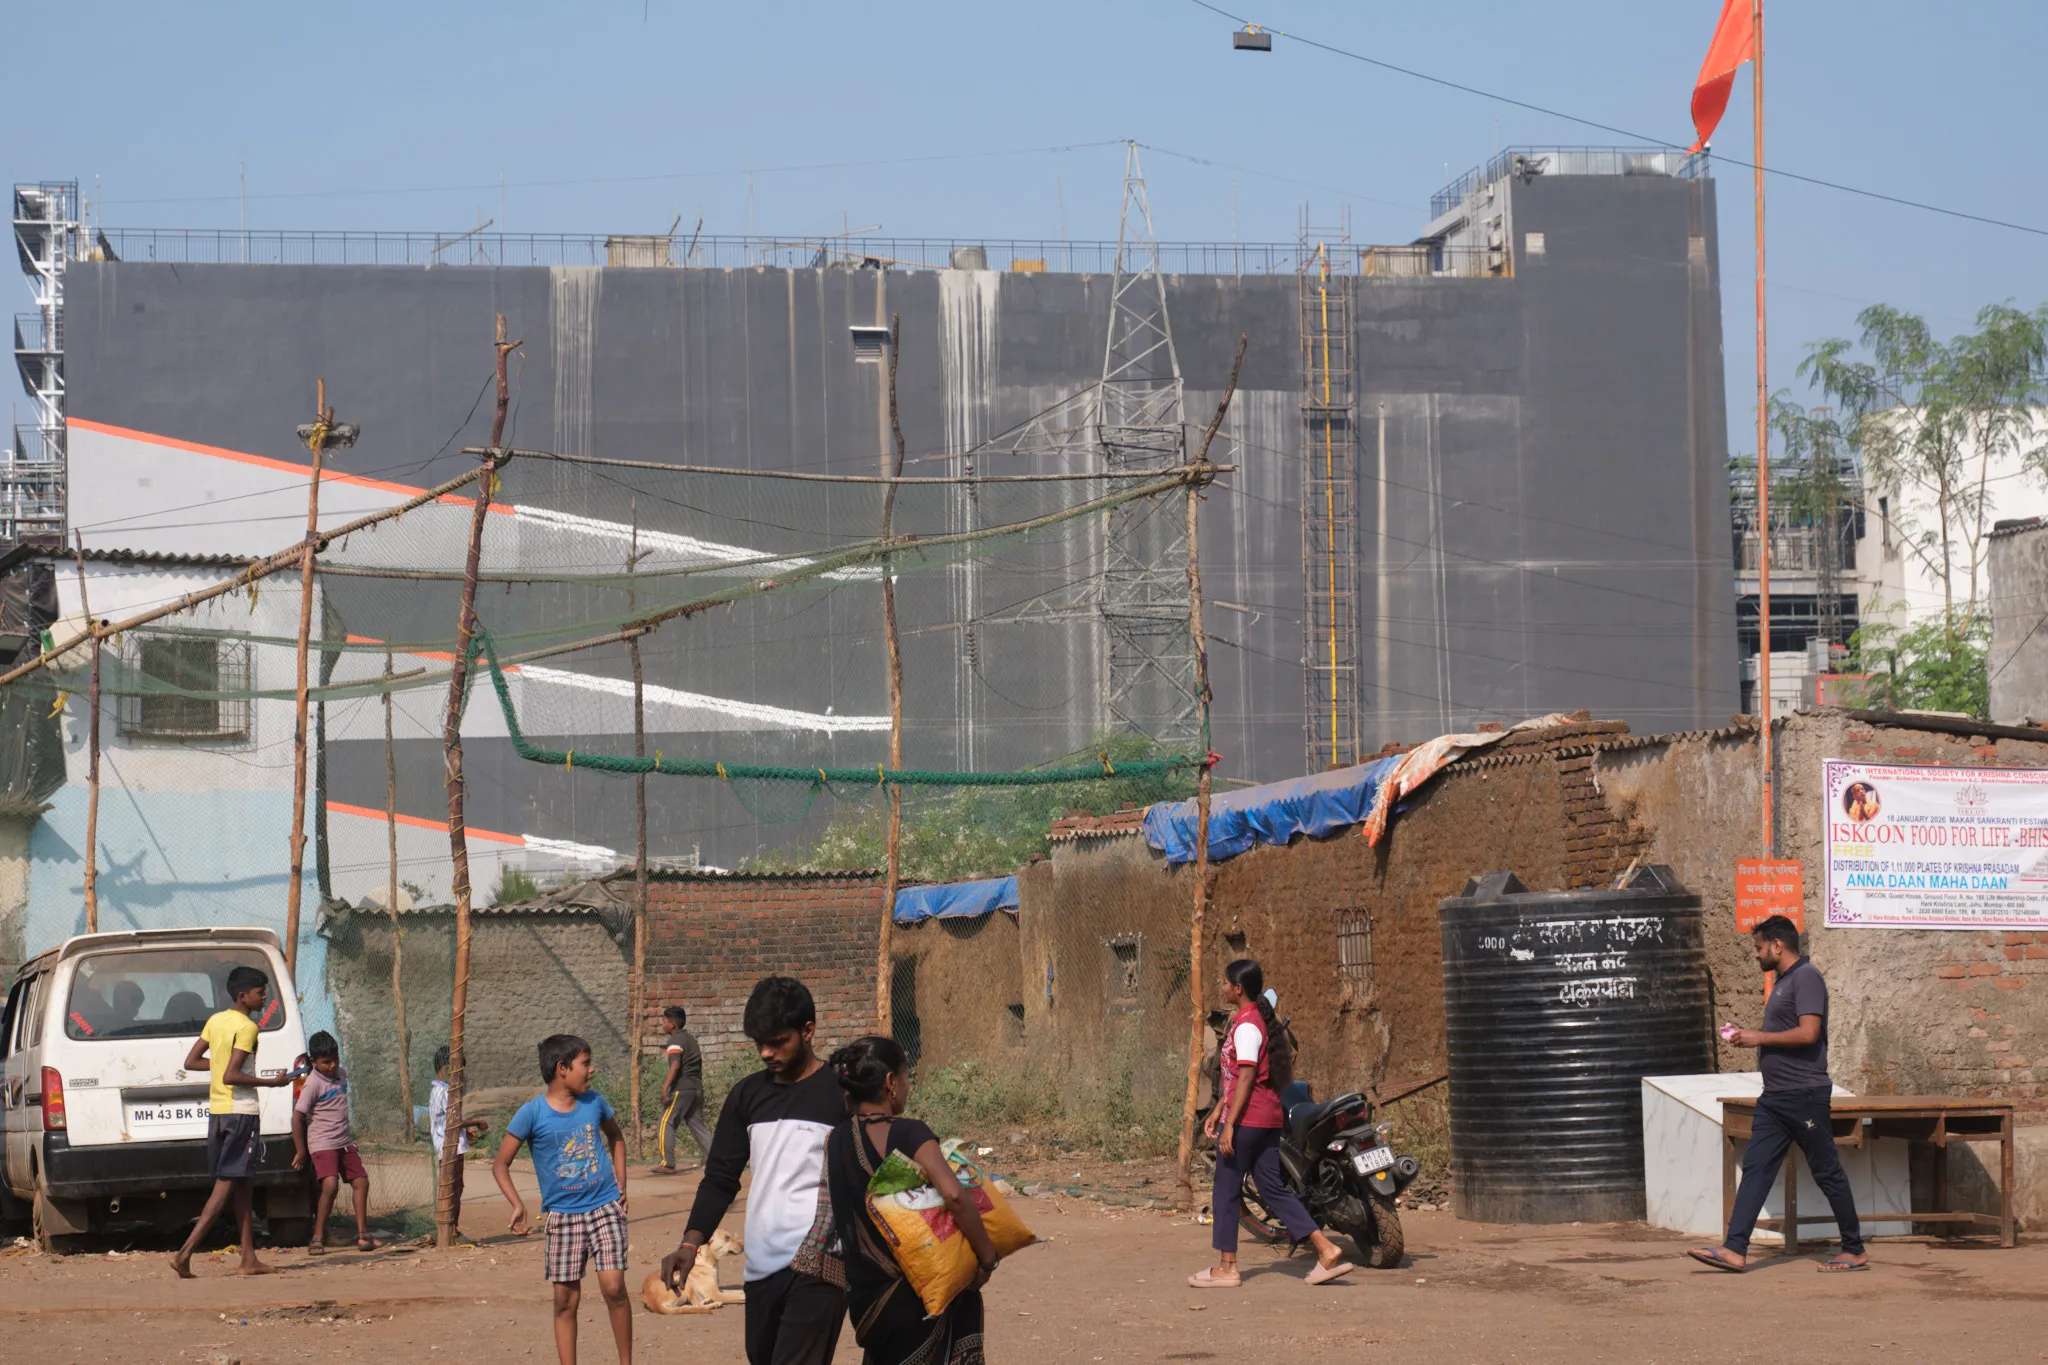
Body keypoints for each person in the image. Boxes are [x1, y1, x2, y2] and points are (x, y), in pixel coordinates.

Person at [661, 977, 846, 1365]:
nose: (765, 1052)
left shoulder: (840, 1093)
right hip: (762, 1267)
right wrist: (690, 1244)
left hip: (821, 1264)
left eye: (777, 1042)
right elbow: (720, 1178)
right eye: (759, 1043)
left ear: (808, 1031)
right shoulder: (747, 1095)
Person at [1689, 916, 1868, 1273]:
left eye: (1758, 948)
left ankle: (1855, 1248)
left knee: (1826, 1171)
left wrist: (1760, 1037)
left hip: (1805, 1095)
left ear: (1777, 945)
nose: (1756, 956)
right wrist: (1748, 1035)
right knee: (1756, 1168)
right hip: (1775, 1098)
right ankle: (1734, 1249)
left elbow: (1808, 1033)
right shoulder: (1784, 982)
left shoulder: (1806, 977)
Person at [826, 1035, 997, 1365]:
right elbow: (954, 1195)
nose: (907, 1087)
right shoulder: (909, 1133)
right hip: (916, 1298)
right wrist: (987, 1258)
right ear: (891, 1082)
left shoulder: (836, 1139)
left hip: (868, 1303)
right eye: (906, 1078)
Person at [1189, 958, 1355, 1289]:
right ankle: (1326, 1249)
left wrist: (1230, 1123)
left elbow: (1249, 1075)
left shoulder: (1248, 1024)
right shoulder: (1248, 1022)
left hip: (1249, 1119)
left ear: (1238, 989)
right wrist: (1218, 1108)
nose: (1221, 988)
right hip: (1265, 1118)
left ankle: (1227, 1267)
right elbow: (1238, 1075)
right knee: (1271, 1187)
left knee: (1225, 1189)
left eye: (1224, 983)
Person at [492, 1034, 633, 1365]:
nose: (592, 1069)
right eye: (585, 1063)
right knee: (564, 1301)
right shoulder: (532, 1113)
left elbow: (616, 1138)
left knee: (614, 1288)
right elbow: (500, 1164)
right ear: (562, 1068)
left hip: (604, 1206)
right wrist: (517, 1204)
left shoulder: (594, 1102)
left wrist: (622, 1181)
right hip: (564, 1217)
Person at [169, 964, 294, 1278]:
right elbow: (232, 1074)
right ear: (243, 996)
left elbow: (192, 1061)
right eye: (260, 992)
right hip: (241, 1113)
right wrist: (273, 1083)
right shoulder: (247, 1028)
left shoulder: (217, 1020)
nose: (264, 997)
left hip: (220, 1112)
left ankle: (248, 1258)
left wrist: (223, 1063)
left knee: (243, 1187)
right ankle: (184, 1253)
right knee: (225, 1185)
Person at [292, 1030, 380, 1253]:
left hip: (344, 1141)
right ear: (313, 1062)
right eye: (326, 1062)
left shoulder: (341, 1074)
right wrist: (301, 1151)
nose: (332, 1066)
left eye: (335, 1060)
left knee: (361, 1181)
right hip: (322, 1142)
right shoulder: (312, 1084)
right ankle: (318, 1236)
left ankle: (363, 1234)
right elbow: (297, 1116)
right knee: (330, 1185)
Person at [430, 1043, 491, 1242]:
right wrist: (476, 1122)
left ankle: (452, 1228)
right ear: (448, 1069)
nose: (462, 1076)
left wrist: (466, 1130)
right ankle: (450, 1230)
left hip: (452, 1144)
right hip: (449, 1147)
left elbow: (450, 1120)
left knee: (456, 1185)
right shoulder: (444, 1092)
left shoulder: (444, 1090)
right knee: (452, 1186)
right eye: (459, 1070)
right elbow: (452, 1120)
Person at [650, 1005, 712, 1173]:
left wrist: (665, 1088)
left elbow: (675, 1065)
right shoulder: (691, 1039)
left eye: (664, 1021)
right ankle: (716, 1159)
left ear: (672, 1024)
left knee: (665, 1122)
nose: (662, 1024)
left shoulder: (675, 1041)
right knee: (697, 1125)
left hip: (681, 1088)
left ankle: (667, 1163)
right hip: (696, 1088)